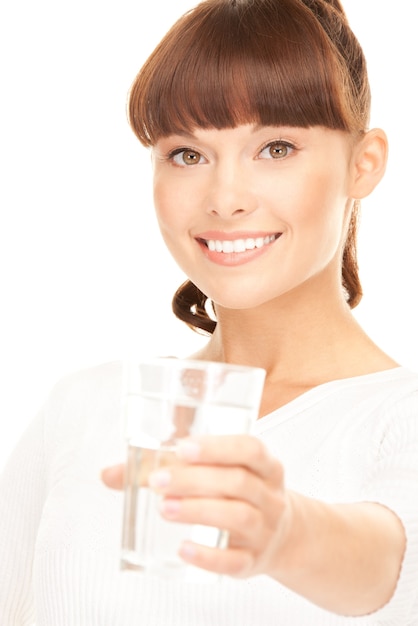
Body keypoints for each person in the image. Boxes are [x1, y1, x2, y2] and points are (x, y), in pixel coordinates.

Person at [1, 0, 417, 623]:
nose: (224, 199)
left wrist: (288, 532)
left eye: (276, 147)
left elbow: (389, 566)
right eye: (188, 154)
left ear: (364, 163)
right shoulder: (86, 406)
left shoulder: (398, 417)